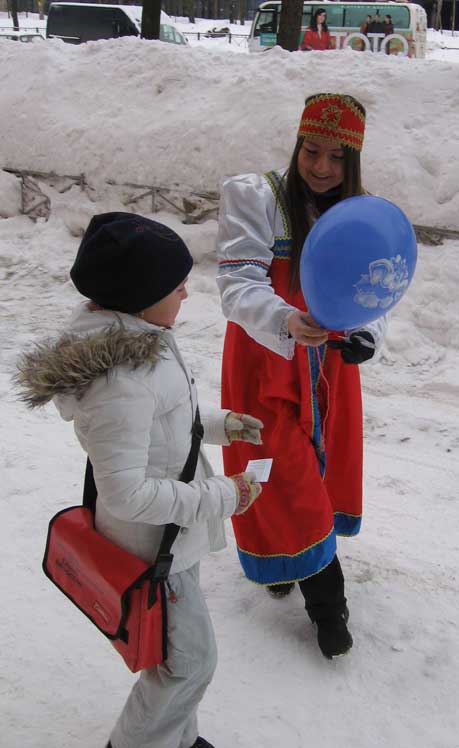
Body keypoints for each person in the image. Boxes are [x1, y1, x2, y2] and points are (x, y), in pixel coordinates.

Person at [16, 212, 264, 748]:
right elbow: (126, 494)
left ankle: (176, 739)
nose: (185, 294)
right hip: (153, 546)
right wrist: (225, 495)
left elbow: (166, 424)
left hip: (172, 538)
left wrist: (220, 425)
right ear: (138, 294)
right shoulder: (120, 378)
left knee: (179, 656)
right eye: (176, 285)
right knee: (188, 665)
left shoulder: (142, 338)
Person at [216, 94, 387, 660]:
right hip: (264, 360)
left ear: (354, 161)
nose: (321, 167)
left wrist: (367, 334)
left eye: (338, 157)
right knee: (278, 471)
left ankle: (288, 559)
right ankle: (327, 602)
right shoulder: (257, 198)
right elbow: (239, 285)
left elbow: (375, 291)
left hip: (328, 368)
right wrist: (286, 319)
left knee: (316, 475)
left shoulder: (362, 213)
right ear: (297, 144)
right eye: (312, 151)